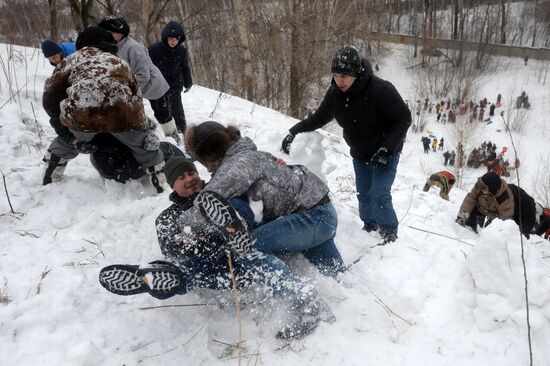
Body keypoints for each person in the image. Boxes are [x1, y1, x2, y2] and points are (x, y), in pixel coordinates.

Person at [99, 157, 333, 339]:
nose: (189, 178)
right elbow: (171, 247)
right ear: (172, 185)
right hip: (216, 266)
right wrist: (194, 239)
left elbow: (254, 174)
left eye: (191, 172)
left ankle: (233, 228)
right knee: (187, 268)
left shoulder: (219, 188)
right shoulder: (168, 218)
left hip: (245, 252)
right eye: (181, 177)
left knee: (235, 215)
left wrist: (279, 164)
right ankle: (155, 278)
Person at [280, 45, 411, 243]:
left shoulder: (381, 90)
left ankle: (389, 232)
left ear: (356, 74)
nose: (339, 81)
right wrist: (294, 131)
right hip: (360, 153)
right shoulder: (335, 95)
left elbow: (403, 119)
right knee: (364, 195)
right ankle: (369, 226)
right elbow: (319, 117)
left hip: (385, 152)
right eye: (336, 75)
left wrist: (387, 149)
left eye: (344, 76)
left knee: (379, 194)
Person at [187, 121, 347, 276]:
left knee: (246, 248)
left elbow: (208, 202)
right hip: (320, 214)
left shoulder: (236, 166)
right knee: (339, 280)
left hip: (310, 218)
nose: (206, 169)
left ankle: (301, 300)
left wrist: (180, 227)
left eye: (204, 161)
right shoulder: (250, 155)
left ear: (211, 153)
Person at [41, 26, 167, 193]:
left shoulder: (70, 62)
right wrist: (144, 126)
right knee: (145, 147)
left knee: (67, 141)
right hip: (122, 119)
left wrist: (62, 127)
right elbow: (135, 95)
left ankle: (50, 175)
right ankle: (161, 183)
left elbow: (50, 98)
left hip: (82, 119)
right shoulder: (120, 63)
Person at [98, 16, 180, 142]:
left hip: (153, 84)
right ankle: (149, 127)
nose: (106, 35)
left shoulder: (134, 48)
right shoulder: (112, 46)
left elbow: (143, 75)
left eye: (109, 32)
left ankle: (174, 138)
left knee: (162, 114)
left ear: (120, 33)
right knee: (132, 111)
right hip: (133, 85)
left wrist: (127, 91)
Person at [456, 172, 550, 238]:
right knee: (475, 209)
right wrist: (462, 217)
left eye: (484, 188)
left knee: (522, 236)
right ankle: (471, 231)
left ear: (492, 189)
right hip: (503, 207)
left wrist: (495, 231)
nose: (480, 189)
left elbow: (504, 223)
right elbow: (470, 199)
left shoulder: (505, 198)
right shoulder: (480, 185)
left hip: (525, 209)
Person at [148, 21, 193, 135]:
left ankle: (182, 131)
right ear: (166, 37)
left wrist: (188, 83)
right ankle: (170, 134)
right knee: (164, 111)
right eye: (171, 38)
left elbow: (185, 67)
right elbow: (148, 67)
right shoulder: (154, 49)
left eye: (176, 39)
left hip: (175, 85)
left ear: (180, 39)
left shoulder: (181, 50)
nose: (173, 41)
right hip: (159, 85)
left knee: (177, 110)